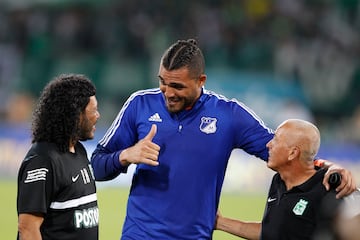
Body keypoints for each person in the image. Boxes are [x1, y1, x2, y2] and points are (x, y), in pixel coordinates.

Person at [90, 39, 356, 239]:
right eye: (163, 83)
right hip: (140, 235)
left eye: (178, 86)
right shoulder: (140, 105)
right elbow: (97, 166)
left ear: (201, 80)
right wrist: (126, 156)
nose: (167, 93)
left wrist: (329, 167)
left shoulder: (229, 116)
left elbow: (283, 151)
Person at [215, 119, 359, 240]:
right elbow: (271, 232)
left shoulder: (330, 187)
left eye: (276, 140)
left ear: (292, 153)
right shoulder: (279, 181)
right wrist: (220, 223)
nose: (268, 144)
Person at [17, 74, 100, 240]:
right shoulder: (42, 161)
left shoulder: (79, 151)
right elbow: (27, 229)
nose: (97, 115)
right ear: (76, 115)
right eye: (93, 110)